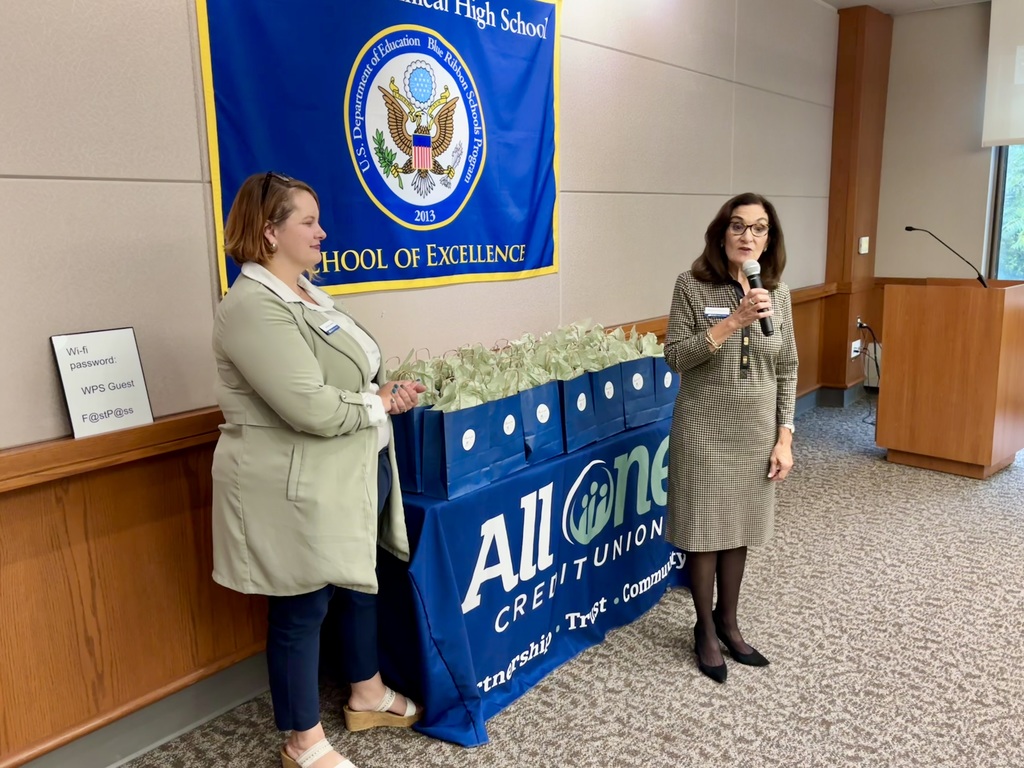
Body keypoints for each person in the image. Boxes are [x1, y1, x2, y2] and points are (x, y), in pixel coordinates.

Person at [211, 171, 426, 768]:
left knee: (358, 583)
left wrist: (381, 390)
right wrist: (375, 403)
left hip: (348, 472)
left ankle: (367, 693)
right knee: (300, 605)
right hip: (294, 486)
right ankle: (302, 741)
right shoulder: (251, 306)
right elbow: (306, 405)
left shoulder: (309, 295)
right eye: (307, 221)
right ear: (268, 231)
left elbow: (345, 381)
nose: (322, 232)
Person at [663, 192, 798, 684]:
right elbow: (676, 357)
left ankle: (729, 621)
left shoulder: (777, 293)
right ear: (722, 234)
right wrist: (734, 322)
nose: (748, 236)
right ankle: (703, 627)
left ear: (769, 239)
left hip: (756, 430)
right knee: (704, 530)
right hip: (703, 428)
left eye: (759, 228)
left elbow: (787, 365)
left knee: (738, 527)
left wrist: (785, 437)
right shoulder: (691, 286)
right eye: (738, 226)